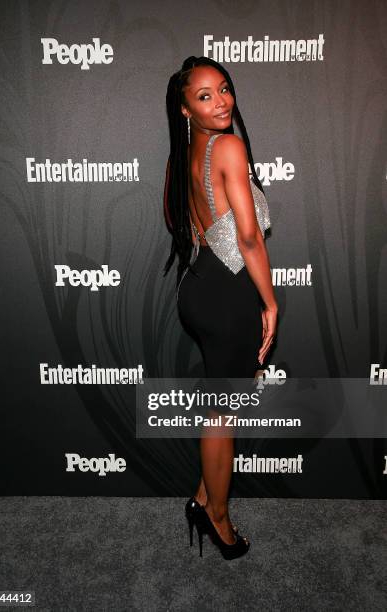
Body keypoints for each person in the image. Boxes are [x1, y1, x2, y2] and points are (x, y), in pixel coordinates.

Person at [163, 56, 278, 560]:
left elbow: (177, 219)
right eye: (204, 95)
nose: (221, 101)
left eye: (224, 89)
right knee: (221, 416)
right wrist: (270, 301)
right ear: (186, 107)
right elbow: (250, 238)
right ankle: (218, 520)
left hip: (198, 285)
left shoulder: (180, 153)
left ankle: (201, 500)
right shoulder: (228, 147)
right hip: (228, 294)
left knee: (219, 408)